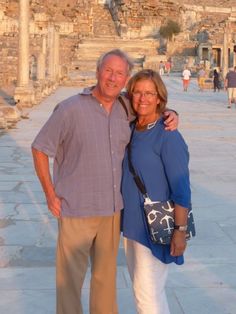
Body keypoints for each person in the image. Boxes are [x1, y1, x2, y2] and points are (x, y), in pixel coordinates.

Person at [31, 49, 178, 314]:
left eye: (119, 73)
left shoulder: (126, 107)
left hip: (111, 212)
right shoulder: (70, 109)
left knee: (105, 283)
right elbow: (40, 148)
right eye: (108, 71)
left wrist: (172, 113)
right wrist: (50, 194)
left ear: (125, 80)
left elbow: (150, 108)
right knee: (69, 284)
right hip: (76, 210)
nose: (113, 78)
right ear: (98, 72)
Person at [121, 69, 191, 314]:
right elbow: (108, 93)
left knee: (148, 297)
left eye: (149, 93)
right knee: (142, 293)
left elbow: (182, 189)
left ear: (160, 98)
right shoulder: (132, 126)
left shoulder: (168, 135)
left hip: (154, 227)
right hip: (131, 226)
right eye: (137, 92)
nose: (143, 98)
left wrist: (180, 232)